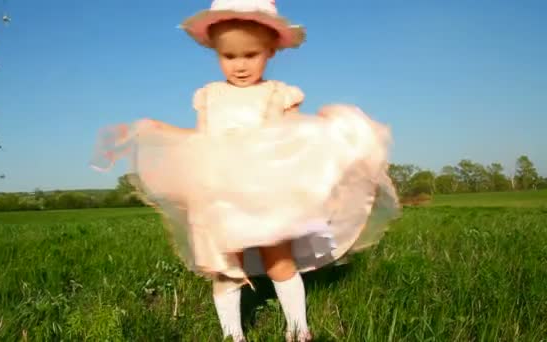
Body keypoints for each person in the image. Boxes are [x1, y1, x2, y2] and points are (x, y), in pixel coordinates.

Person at [91, 1, 400, 341]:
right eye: (229, 56)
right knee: (225, 266)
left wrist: (327, 128)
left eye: (250, 55)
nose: (239, 65)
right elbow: (202, 139)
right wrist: (154, 128)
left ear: (270, 50)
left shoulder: (278, 93)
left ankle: (298, 328)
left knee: (278, 259)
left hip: (267, 191)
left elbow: (294, 134)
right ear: (216, 53)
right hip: (221, 193)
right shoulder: (209, 95)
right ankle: (232, 334)